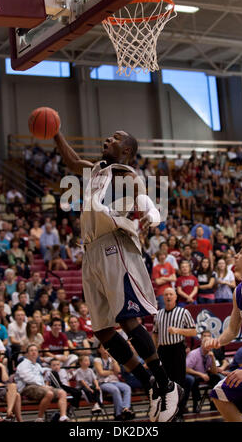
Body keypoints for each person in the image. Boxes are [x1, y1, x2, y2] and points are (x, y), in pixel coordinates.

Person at [54, 128, 183, 421]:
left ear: (126, 150)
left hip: (114, 244)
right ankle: (150, 382)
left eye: (115, 138)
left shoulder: (124, 170)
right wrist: (57, 133)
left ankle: (166, 384)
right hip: (91, 251)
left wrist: (151, 215)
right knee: (102, 329)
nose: (107, 139)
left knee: (128, 318)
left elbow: (141, 193)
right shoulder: (98, 169)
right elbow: (74, 163)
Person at [204, 244, 242, 422]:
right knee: (219, 395)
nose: (235, 256)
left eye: (241, 253)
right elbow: (232, 329)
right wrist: (218, 341)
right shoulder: (238, 291)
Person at [152, 288, 196, 417]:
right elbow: (155, 333)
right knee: (164, 381)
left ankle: (179, 410)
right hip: (162, 350)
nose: (168, 296)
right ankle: (166, 410)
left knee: (178, 381)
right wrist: (154, 350)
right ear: (163, 298)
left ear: (176, 297)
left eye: (171, 294)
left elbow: (193, 331)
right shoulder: (158, 314)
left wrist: (178, 330)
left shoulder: (183, 312)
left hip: (177, 349)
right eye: (166, 294)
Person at [15, 344, 69, 422]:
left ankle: (63, 416)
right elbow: (28, 379)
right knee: (49, 393)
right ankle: (39, 418)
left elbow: (44, 370)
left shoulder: (37, 365)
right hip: (27, 387)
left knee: (62, 392)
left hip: (40, 387)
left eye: (35, 350)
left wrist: (51, 368)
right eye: (31, 350)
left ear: (38, 353)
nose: (34, 352)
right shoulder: (23, 365)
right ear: (27, 353)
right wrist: (43, 386)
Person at [94, 344, 134, 421]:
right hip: (103, 383)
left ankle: (125, 408)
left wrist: (113, 359)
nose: (105, 350)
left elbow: (118, 371)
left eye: (106, 348)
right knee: (115, 390)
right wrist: (112, 372)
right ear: (99, 350)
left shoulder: (112, 359)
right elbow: (101, 373)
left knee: (127, 387)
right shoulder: (97, 360)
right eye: (103, 348)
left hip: (115, 381)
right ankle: (118, 414)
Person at [185, 329, 222, 413]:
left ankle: (214, 401)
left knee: (216, 377)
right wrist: (200, 374)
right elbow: (186, 368)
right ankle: (196, 403)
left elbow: (214, 372)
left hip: (204, 374)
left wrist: (212, 359)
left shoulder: (210, 354)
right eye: (207, 344)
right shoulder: (194, 354)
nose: (209, 346)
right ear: (202, 344)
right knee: (193, 380)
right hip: (193, 374)